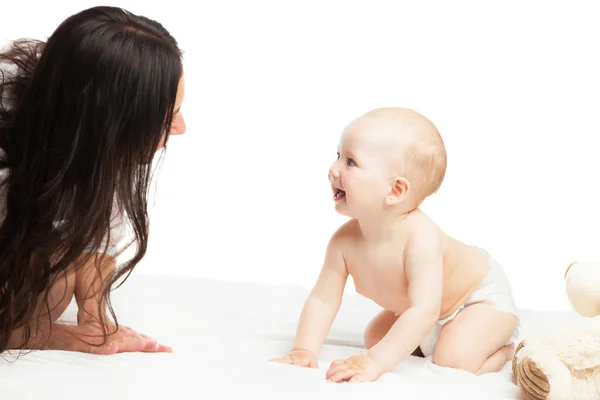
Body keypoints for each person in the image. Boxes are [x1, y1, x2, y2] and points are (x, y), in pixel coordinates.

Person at [270, 107, 519, 381]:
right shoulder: (343, 242)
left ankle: (508, 350)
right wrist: (304, 350)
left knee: (452, 359)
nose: (333, 169)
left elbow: (425, 309)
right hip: (429, 310)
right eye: (338, 156)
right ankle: (445, 336)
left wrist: (374, 363)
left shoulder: (419, 237)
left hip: (476, 299)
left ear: (395, 190)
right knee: (375, 337)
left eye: (350, 162)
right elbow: (323, 298)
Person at [0, 5, 186, 354]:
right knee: (51, 284)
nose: (182, 129)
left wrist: (95, 317)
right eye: (168, 118)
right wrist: (41, 334)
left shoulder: (84, 130)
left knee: (57, 270)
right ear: (111, 122)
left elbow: (100, 230)